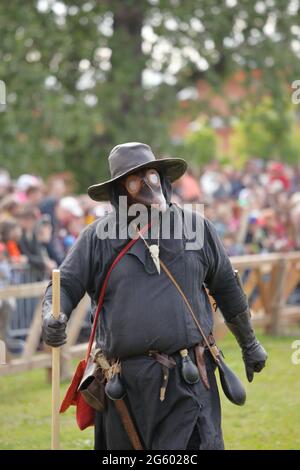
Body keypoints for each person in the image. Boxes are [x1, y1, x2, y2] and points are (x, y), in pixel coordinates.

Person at [42, 142, 267, 450]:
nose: (146, 185)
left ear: (162, 178)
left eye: (150, 175)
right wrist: (53, 315)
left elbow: (227, 286)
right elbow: (63, 284)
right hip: (123, 387)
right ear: (120, 190)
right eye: (135, 180)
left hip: (187, 378)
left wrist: (250, 344)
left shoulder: (195, 228)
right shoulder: (96, 238)